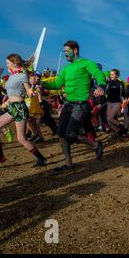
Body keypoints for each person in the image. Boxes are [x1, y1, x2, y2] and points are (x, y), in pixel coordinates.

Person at [42, 41, 106, 171]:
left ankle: (94, 144)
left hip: (80, 104)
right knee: (61, 134)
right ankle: (68, 163)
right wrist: (41, 83)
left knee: (70, 135)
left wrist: (101, 85)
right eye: (64, 51)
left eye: (67, 51)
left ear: (75, 50)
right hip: (68, 104)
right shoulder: (66, 69)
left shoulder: (86, 63)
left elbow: (99, 74)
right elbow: (56, 84)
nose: (65, 53)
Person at [0, 54, 48, 167]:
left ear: (15, 62)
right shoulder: (11, 76)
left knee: (21, 138)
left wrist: (34, 86)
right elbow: (10, 94)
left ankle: (41, 158)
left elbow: (30, 93)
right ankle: (0, 157)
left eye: (8, 62)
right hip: (12, 107)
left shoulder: (23, 76)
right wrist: (3, 105)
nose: (6, 64)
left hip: (19, 108)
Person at [105, 69, 126, 135]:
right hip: (109, 102)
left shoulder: (120, 83)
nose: (111, 76)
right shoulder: (108, 82)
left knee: (109, 118)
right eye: (110, 74)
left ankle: (122, 126)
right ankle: (119, 132)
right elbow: (105, 92)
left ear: (117, 75)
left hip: (117, 103)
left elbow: (122, 94)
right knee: (110, 120)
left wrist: (123, 105)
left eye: (112, 74)